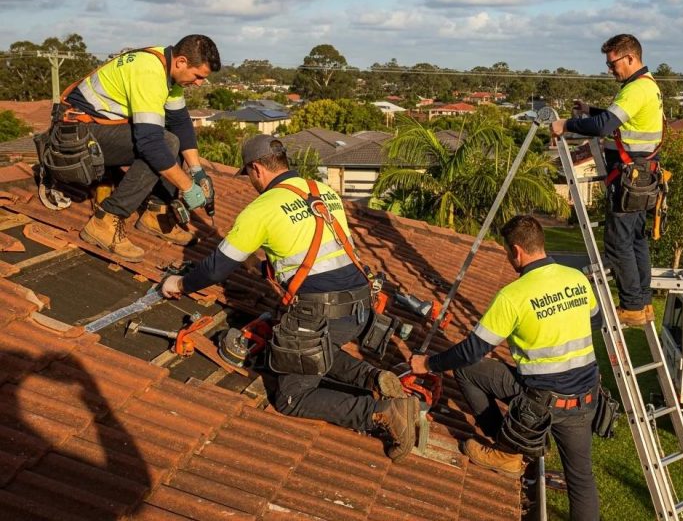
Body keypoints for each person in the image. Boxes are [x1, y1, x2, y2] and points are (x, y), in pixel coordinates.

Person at [161, 135, 418, 461]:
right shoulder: (322, 191)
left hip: (322, 312)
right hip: (360, 309)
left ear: (256, 169)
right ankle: (374, 377)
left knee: (291, 398)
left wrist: (180, 283)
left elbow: (215, 269)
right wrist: (269, 266)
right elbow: (313, 248)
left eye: (250, 176)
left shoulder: (262, 208)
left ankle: (380, 412)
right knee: (311, 351)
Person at [410, 215, 602, 520]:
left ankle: (507, 451)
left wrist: (428, 363)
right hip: (586, 398)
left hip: (542, 403)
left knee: (468, 369)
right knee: (581, 480)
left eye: (507, 253)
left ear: (516, 251)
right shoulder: (577, 279)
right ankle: (513, 447)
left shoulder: (514, 295)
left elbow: (473, 350)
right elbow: (595, 318)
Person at [59, 34, 219, 261]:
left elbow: (180, 122)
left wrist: (197, 171)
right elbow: (150, 143)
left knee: (170, 137)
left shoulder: (166, 66)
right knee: (163, 143)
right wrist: (187, 186)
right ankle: (106, 221)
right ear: (182, 62)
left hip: (96, 130)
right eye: (198, 76)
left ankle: (156, 215)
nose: (199, 83)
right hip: (74, 136)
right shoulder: (149, 72)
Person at [551, 33, 663, 326]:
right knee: (636, 240)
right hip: (642, 175)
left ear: (630, 57)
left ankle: (632, 307)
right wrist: (590, 111)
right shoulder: (646, 85)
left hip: (630, 176)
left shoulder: (636, 89)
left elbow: (603, 128)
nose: (611, 70)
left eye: (613, 64)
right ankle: (643, 302)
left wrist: (567, 124)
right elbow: (616, 118)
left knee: (618, 243)